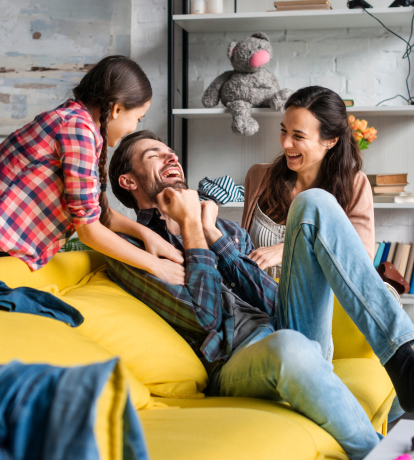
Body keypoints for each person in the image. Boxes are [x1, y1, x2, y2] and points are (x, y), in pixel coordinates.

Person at [106, 129, 414, 460]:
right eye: (154, 155)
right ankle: (379, 454)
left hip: (289, 326)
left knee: (314, 201)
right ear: (128, 182)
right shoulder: (132, 249)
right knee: (289, 347)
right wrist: (192, 227)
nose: (172, 157)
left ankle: (404, 359)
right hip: (236, 359)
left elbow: (271, 300)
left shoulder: (225, 230)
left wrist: (212, 235)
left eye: (172, 153)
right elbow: (204, 317)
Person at [0, 56, 184, 284]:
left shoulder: (76, 122)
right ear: (117, 109)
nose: (133, 127)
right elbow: (88, 230)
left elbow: (94, 212)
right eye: (137, 118)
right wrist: (155, 266)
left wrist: (147, 235)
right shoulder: (77, 129)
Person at [242, 86, 374, 279]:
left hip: (316, 308)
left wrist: (288, 249)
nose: (286, 143)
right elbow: (244, 250)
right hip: (255, 304)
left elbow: (361, 263)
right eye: (283, 131)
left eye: (298, 136)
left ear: (331, 140)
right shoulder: (259, 176)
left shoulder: (355, 184)